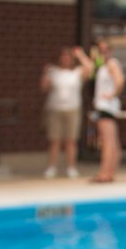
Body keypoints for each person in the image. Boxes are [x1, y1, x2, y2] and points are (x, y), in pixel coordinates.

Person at [40, 46, 94, 179]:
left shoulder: (76, 72)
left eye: (68, 57)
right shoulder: (53, 71)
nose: (66, 59)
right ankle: (51, 167)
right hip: (55, 109)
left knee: (71, 140)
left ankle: (71, 167)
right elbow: (44, 87)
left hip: (72, 109)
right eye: (63, 56)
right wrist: (45, 74)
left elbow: (91, 69)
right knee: (55, 140)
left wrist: (80, 55)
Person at [91, 38, 124, 183]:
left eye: (105, 50)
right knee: (112, 141)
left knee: (107, 141)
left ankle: (105, 173)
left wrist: (111, 95)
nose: (103, 53)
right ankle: (110, 172)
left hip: (106, 106)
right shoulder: (103, 66)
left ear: (110, 51)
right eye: (100, 50)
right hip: (107, 106)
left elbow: (120, 81)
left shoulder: (112, 63)